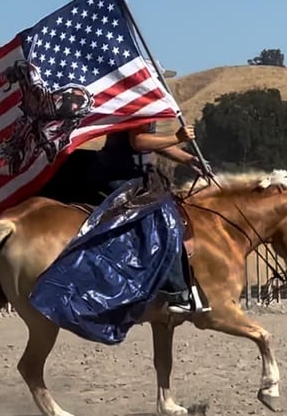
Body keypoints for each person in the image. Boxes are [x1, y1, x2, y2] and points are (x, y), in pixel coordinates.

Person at [87, 122, 211, 314]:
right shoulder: (139, 101)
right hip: (121, 174)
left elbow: (152, 141)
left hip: (132, 173)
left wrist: (187, 158)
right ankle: (176, 292)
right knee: (162, 219)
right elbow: (138, 141)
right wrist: (177, 137)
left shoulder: (143, 99)